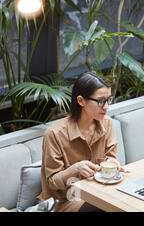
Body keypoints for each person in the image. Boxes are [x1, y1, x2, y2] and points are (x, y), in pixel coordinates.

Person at [38, 71, 122, 212]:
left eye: (109, 99)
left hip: (99, 193)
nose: (106, 106)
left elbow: (111, 157)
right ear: (81, 101)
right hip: (66, 201)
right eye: (101, 101)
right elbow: (51, 182)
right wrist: (75, 169)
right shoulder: (55, 134)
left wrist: (114, 164)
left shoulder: (107, 123)